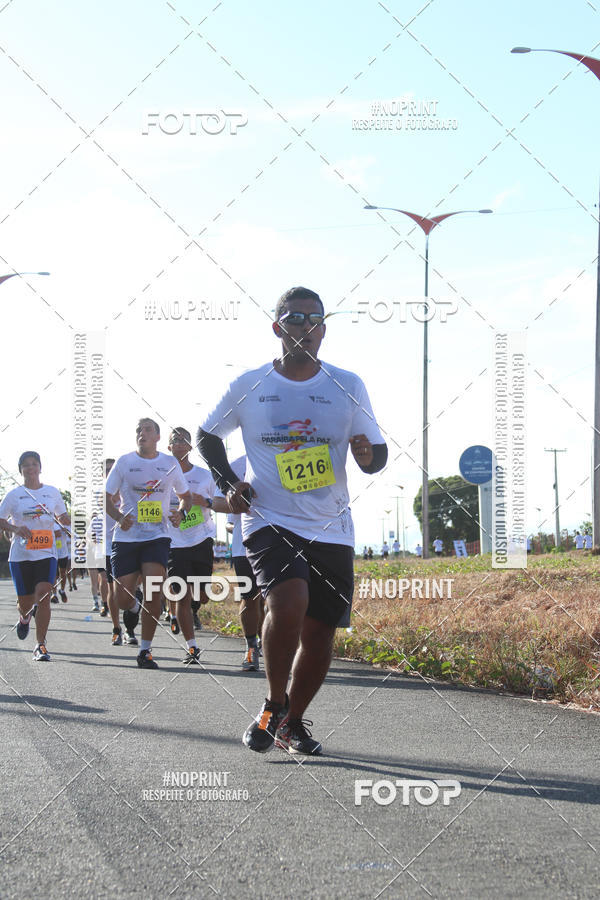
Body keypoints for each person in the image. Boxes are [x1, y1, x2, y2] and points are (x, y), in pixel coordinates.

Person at [198, 286, 387, 755]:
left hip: (331, 524)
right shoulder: (250, 385)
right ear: (278, 327)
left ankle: (292, 722)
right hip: (269, 518)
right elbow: (206, 435)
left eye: (313, 319)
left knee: (321, 631)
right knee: (288, 601)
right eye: (294, 318)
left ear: (324, 329)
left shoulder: (347, 384)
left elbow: (376, 453)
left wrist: (368, 456)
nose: (304, 327)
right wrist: (228, 484)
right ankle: (272, 703)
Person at [105, 418, 192, 669]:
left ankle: (145, 650)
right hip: (127, 537)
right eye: (138, 431)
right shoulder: (124, 462)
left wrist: (181, 513)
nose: (141, 434)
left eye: (147, 430)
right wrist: (119, 517)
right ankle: (133, 605)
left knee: (155, 590)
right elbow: (106, 498)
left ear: (157, 437)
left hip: (157, 536)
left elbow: (184, 497)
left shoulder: (169, 463)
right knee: (121, 599)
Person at [0, 451, 71, 661]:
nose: (30, 468)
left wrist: (68, 520)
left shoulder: (51, 492)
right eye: (26, 465)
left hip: (46, 553)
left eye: (34, 464)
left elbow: (62, 515)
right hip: (21, 556)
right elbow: (1, 520)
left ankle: (40, 645)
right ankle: (24, 618)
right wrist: (15, 528)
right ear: (21, 470)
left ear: (40, 467)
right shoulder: (14, 495)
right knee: (26, 604)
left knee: (44, 595)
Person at [166, 427, 226, 665]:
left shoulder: (204, 476)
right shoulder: (163, 476)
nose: (180, 444)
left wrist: (207, 502)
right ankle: (191, 647)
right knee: (181, 594)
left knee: (201, 596)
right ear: (169, 447)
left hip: (201, 539)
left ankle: (191, 607)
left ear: (190, 447)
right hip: (174, 542)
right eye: (175, 440)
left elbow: (221, 502)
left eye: (184, 440)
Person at [221, 455, 265, 672]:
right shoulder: (236, 466)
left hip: (281, 541)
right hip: (244, 544)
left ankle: (272, 644)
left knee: (275, 600)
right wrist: (231, 502)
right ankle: (251, 647)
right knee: (250, 598)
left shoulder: (286, 454)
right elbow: (217, 502)